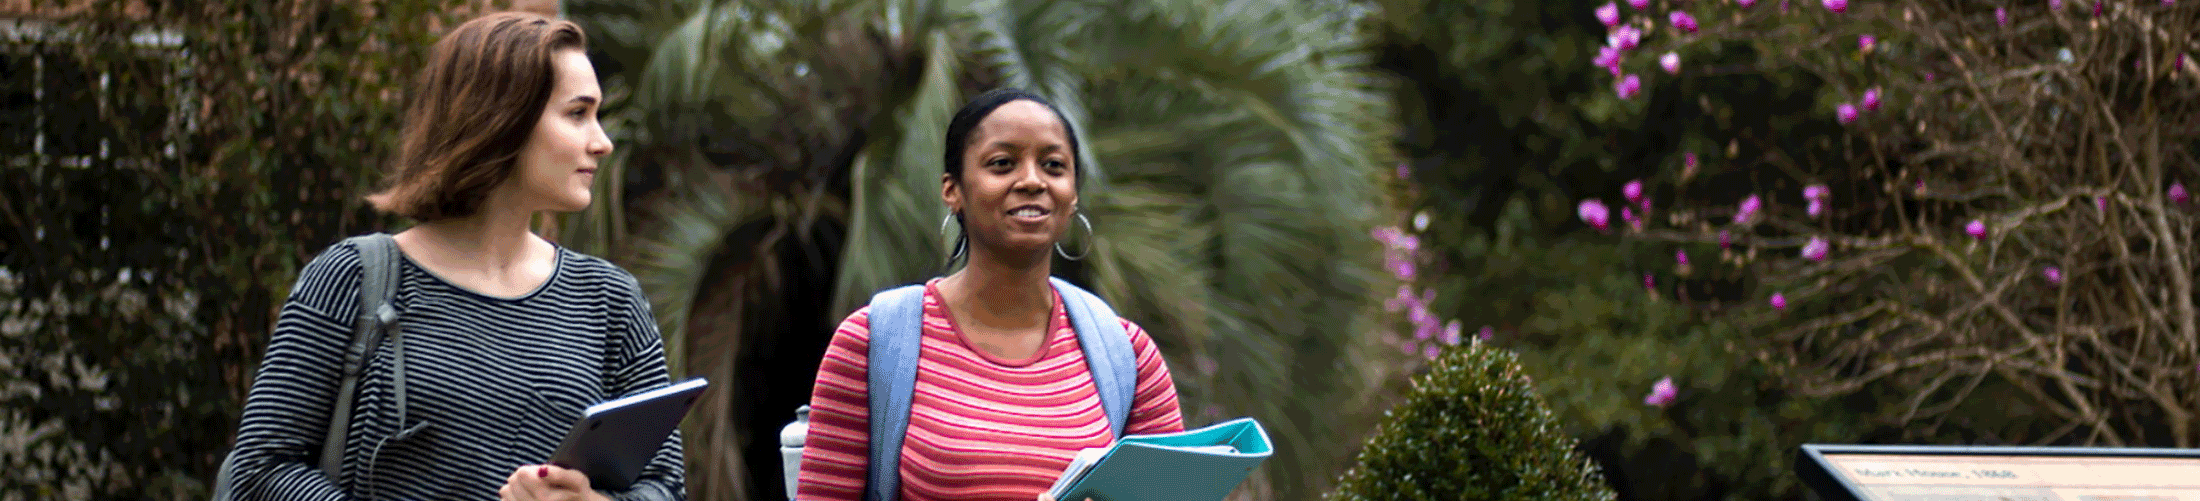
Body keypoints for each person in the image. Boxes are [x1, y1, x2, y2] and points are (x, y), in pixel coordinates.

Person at [220, 12, 684, 500]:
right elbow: (262, 468)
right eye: (577, 113)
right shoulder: (352, 279)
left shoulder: (610, 301)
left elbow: (666, 487)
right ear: (502, 120)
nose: (602, 142)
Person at [793, 88, 1186, 501]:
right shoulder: (875, 341)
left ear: (1072, 197)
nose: (1032, 181)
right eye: (1002, 164)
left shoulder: (1127, 355)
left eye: (1053, 166)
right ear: (953, 190)